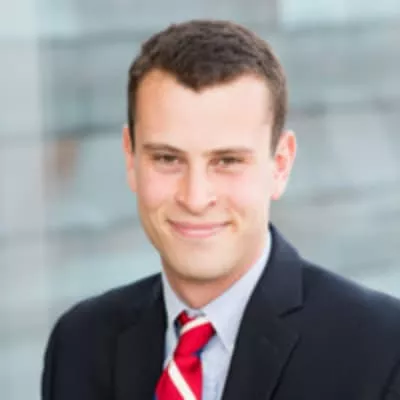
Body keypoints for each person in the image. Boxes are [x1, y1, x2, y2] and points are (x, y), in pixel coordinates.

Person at [41, 19, 400, 400]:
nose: (195, 198)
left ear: (280, 165)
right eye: (167, 158)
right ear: (131, 159)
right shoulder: (79, 344)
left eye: (227, 161)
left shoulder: (382, 350)